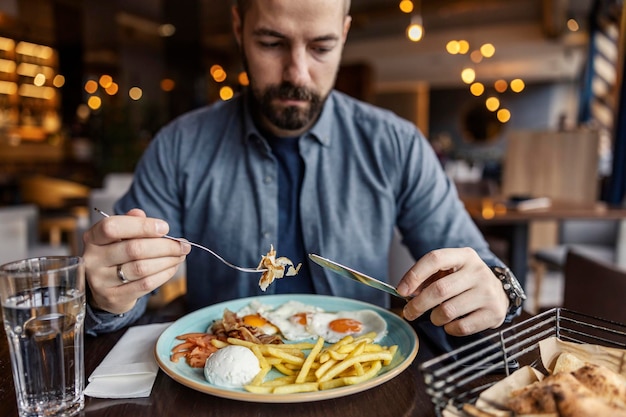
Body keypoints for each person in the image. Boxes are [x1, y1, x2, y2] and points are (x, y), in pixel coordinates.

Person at [82, 0, 525, 339]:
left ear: (345, 34)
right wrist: (106, 293)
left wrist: (494, 289)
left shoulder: (397, 144)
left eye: (321, 47)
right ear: (239, 27)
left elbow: (476, 266)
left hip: (362, 379)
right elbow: (123, 291)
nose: (297, 73)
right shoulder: (180, 145)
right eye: (271, 43)